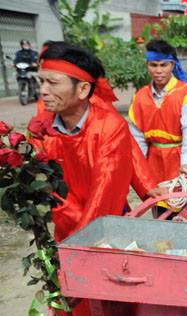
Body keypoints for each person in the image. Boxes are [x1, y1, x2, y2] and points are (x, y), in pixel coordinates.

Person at [27, 43, 157, 242]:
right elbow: (47, 188)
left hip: (106, 228)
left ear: (83, 89)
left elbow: (105, 193)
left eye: (52, 82)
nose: (42, 90)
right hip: (66, 227)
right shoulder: (40, 129)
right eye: (41, 81)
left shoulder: (110, 126)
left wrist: (81, 241)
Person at [128, 40, 187, 185]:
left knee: (180, 203)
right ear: (147, 65)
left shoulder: (186, 93)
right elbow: (137, 137)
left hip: (178, 159)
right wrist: (138, 167)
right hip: (153, 161)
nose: (158, 71)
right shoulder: (140, 97)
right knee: (157, 203)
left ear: (172, 65)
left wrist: (186, 162)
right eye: (153, 65)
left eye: (163, 65)